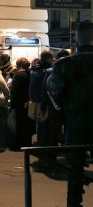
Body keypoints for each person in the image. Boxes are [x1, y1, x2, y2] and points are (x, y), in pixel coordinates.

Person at [47, 21, 93, 207]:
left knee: (74, 172)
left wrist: (66, 109)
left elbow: (54, 93)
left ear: (76, 39)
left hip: (76, 125)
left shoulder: (63, 65)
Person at [9, 57, 33, 150]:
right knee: (27, 124)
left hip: (18, 102)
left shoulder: (18, 75)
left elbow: (14, 91)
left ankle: (19, 144)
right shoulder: (30, 73)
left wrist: (12, 104)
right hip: (28, 101)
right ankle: (27, 142)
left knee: (18, 124)